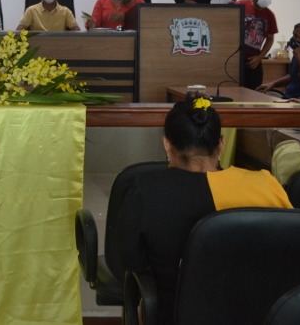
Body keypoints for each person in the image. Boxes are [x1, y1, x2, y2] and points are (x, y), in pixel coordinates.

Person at [121, 98, 291, 325]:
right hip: (261, 317)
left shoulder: (145, 190)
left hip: (176, 317)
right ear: (221, 144)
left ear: (167, 145)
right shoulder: (266, 184)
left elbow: (129, 260)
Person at [256, 22, 300, 98]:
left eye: (296, 36)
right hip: (288, 97)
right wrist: (273, 84)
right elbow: (292, 75)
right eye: (293, 34)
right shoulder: (298, 52)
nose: (292, 39)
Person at [239, 0, 278, 89]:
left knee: (254, 92)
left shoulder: (270, 15)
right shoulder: (241, 5)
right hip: (236, 58)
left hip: (253, 62)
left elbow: (270, 39)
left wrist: (259, 57)